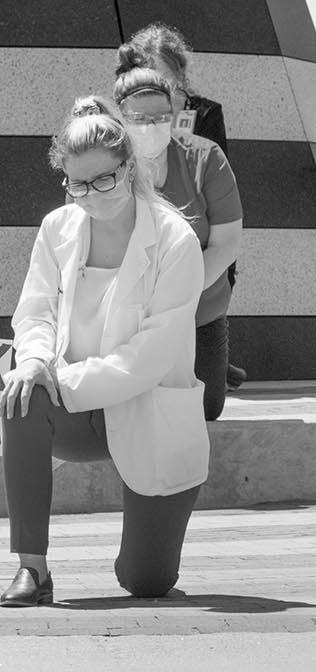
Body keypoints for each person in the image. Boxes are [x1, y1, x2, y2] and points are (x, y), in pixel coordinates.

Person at [2, 98, 208, 605]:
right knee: (20, 391)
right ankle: (33, 568)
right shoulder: (58, 228)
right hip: (76, 411)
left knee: (147, 583)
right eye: (77, 183)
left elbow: (151, 357)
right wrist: (32, 362)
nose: (89, 195)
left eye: (103, 180)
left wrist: (63, 380)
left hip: (147, 408)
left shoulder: (175, 240)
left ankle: (143, 556)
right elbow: (35, 312)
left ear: (130, 167)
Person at [115, 27, 248, 393]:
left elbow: (224, 235)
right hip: (126, 307)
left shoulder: (203, 147)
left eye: (171, 87)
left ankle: (213, 362)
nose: (163, 99)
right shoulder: (106, 152)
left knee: (205, 402)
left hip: (197, 292)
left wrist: (181, 295)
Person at [116, 23, 227, 154]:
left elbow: (215, 169)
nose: (156, 89)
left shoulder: (205, 113)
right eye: (147, 81)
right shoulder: (121, 113)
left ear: (179, 74)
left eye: (163, 81)